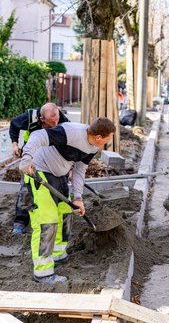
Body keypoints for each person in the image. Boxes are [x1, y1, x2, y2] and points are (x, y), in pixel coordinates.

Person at [19, 117, 116, 284]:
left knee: (66, 214)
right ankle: (43, 272)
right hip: (40, 171)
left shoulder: (92, 147)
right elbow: (38, 136)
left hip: (59, 175)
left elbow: (79, 170)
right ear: (99, 137)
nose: (109, 141)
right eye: (109, 138)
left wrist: (78, 198)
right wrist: (26, 158)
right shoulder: (70, 132)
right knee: (46, 222)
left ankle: (57, 254)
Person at [9, 103, 69, 235]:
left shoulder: (63, 120)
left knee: (60, 187)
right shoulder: (31, 118)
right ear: (42, 119)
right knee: (26, 188)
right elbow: (14, 124)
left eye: (56, 121)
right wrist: (15, 145)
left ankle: (60, 223)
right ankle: (20, 222)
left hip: (52, 157)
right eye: (51, 122)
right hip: (32, 155)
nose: (55, 125)